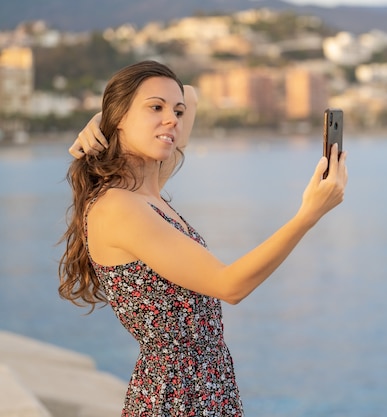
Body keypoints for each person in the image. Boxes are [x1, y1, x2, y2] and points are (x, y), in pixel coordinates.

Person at [58, 60, 348, 416]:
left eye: (176, 112)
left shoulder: (147, 194)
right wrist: (308, 215)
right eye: (155, 108)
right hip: (176, 396)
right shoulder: (119, 206)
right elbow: (229, 286)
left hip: (203, 386)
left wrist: (105, 120)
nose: (173, 120)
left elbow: (190, 95)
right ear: (120, 117)